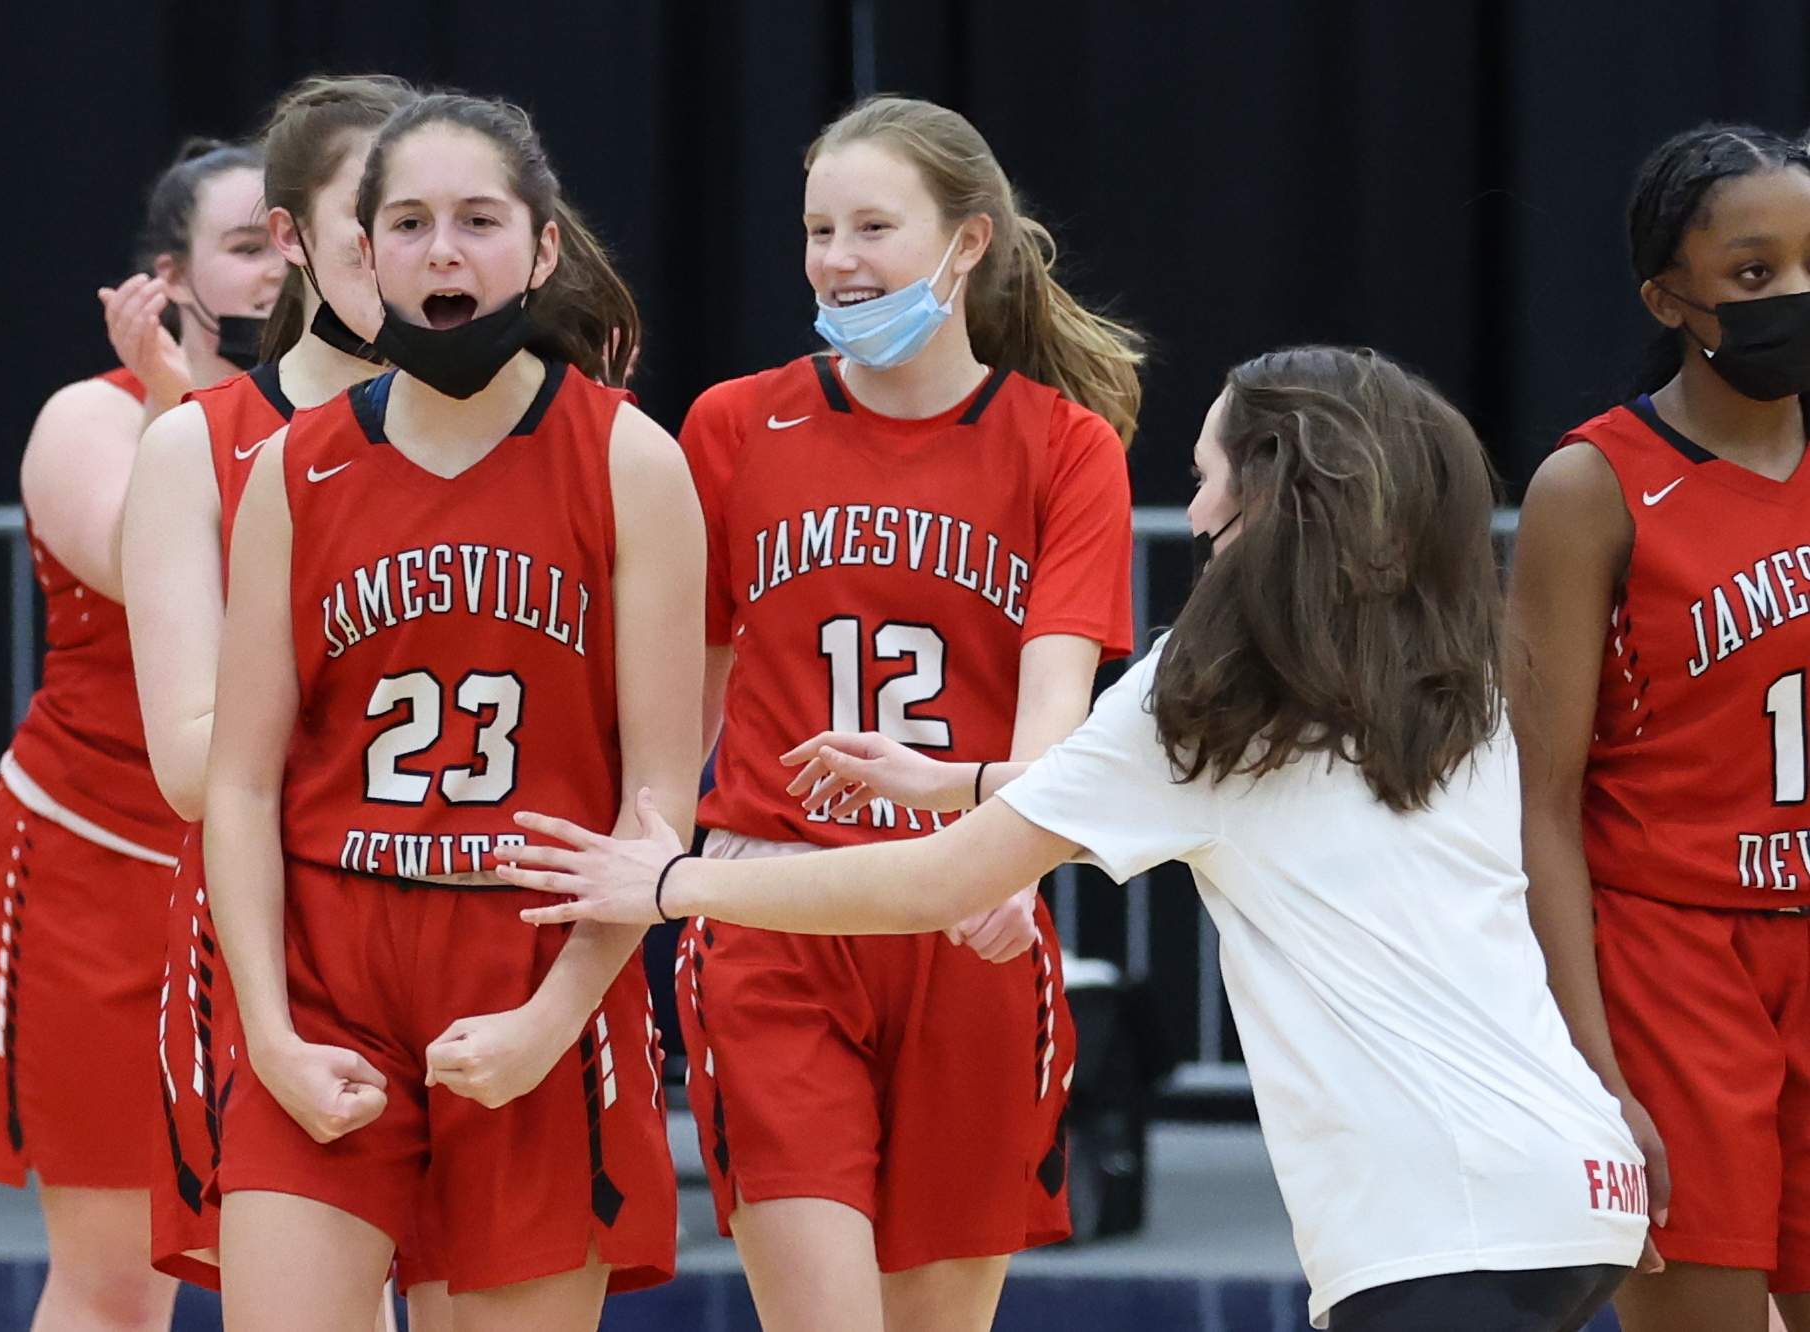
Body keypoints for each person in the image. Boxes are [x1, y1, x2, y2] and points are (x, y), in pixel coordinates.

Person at [504, 346, 1653, 1332]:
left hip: (1432, 1216)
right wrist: (962, 776)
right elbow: (1244, 795)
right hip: (1575, 1181)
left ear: (1267, 494)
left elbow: (942, 882)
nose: (1193, 514)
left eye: (1202, 479)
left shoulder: (1207, 695)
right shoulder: (1449, 683)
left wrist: (668, 882)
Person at [201, 91, 700, 1332]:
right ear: (359, 255)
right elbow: (242, 781)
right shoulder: (294, 468)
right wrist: (264, 1027)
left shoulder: (630, 463)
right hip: (327, 976)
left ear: (539, 249)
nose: (443, 250)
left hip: (532, 968)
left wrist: (552, 1018)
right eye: (411, 221)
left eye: (479, 220)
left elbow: (658, 801)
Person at [663, 94, 1139, 1332]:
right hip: (773, 908)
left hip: (961, 914)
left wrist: (1007, 861)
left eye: (872, 226)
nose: (835, 258)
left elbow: (1057, 703)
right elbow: (686, 692)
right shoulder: (731, 424)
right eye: (817, 228)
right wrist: (659, 858)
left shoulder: (1065, 446)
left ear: (965, 242)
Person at [117, 75, 428, 1324]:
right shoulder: (199, 443)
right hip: (289, 951)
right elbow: (195, 768)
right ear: (292, 236)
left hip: (494, 949)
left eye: (429, 216)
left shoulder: (556, 435)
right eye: (372, 215)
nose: (405, 247)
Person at [0, 138, 281, 1332]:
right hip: (101, 860)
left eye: (293, 239)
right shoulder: (87, 421)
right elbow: (148, 575)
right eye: (245, 245)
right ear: (171, 278)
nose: (273, 267)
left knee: (330, 1266)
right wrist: (175, 404)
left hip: (292, 875)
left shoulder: (373, 423)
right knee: (110, 1280)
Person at [1508, 123, 1810, 1332]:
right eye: (1751, 273)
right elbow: (1536, 801)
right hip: (1672, 958)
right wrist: (1587, 1062)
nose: (1790, 293)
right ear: (1667, 298)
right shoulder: (1593, 484)